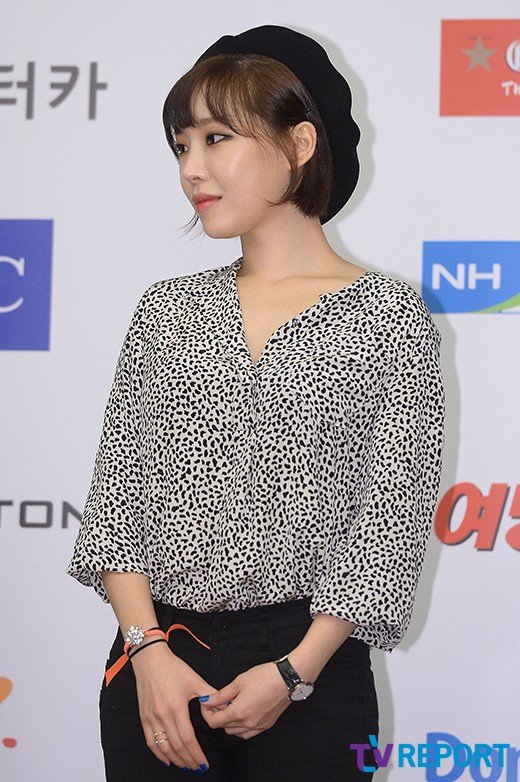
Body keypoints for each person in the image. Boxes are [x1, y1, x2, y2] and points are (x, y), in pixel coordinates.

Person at [66, 24, 445, 782]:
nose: (192, 169)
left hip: (313, 673)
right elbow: (117, 502)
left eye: (217, 139)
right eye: (181, 146)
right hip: (159, 665)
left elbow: (391, 519)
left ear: (300, 142)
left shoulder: (390, 317)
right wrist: (146, 652)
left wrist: (296, 671)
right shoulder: (167, 312)